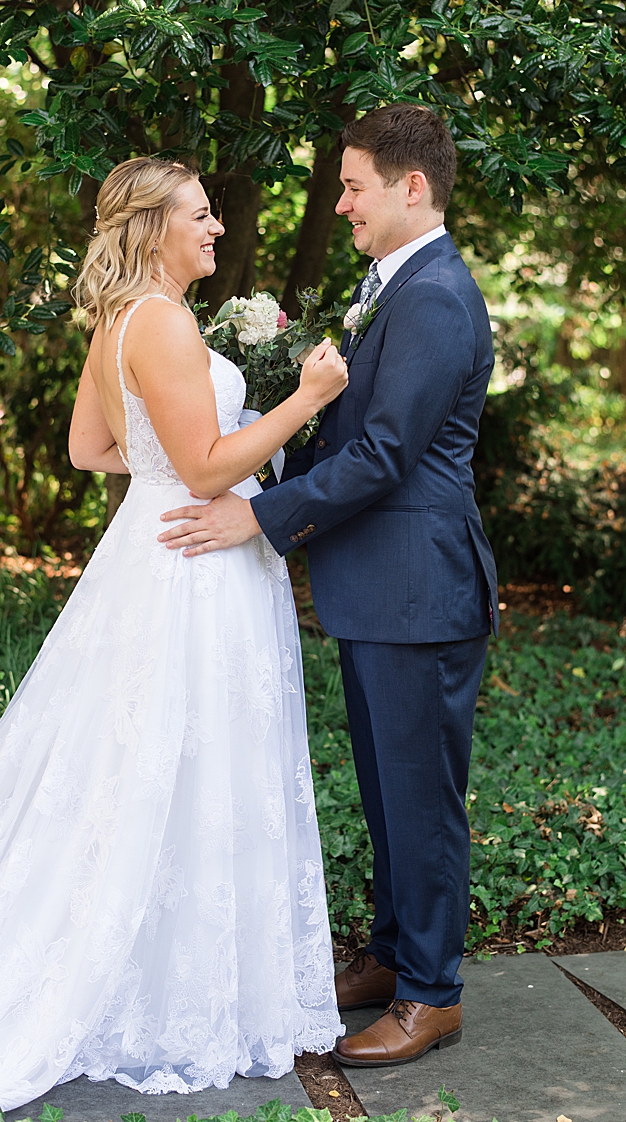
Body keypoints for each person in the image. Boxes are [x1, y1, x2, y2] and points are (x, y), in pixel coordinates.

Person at [0, 156, 350, 1119]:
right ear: (152, 227)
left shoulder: (117, 322)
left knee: (143, 762)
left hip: (147, 555)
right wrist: (306, 399)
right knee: (191, 759)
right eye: (200, 213)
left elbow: (88, 449)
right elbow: (204, 465)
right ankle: (178, 987)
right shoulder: (169, 322)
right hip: (194, 566)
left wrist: (162, 465)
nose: (218, 226)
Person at [155, 104, 498, 1068]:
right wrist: (259, 459)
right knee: (392, 792)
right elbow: (350, 431)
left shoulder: (432, 297)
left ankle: (432, 994)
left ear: (411, 187)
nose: (340, 202)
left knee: (422, 798)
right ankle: (395, 958)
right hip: (381, 586)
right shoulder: (391, 284)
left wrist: (257, 515)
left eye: (353, 186)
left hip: (418, 589)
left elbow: (387, 454)